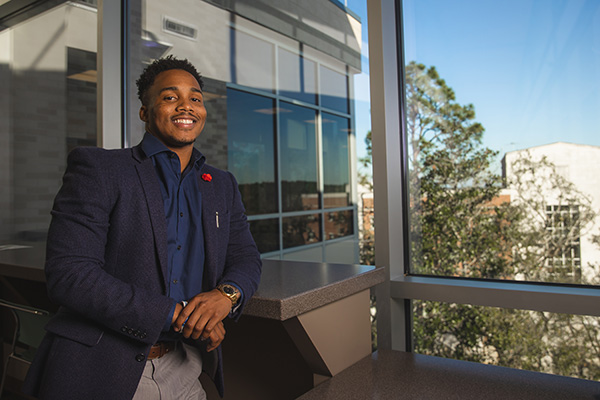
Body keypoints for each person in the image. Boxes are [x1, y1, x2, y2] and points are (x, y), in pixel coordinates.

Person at [23, 55, 262, 399]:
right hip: (105, 368)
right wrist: (176, 316)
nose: (186, 106)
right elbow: (69, 274)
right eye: (170, 97)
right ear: (144, 112)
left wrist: (226, 296)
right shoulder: (100, 169)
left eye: (195, 98)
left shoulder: (221, 185)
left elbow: (246, 257)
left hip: (187, 368)